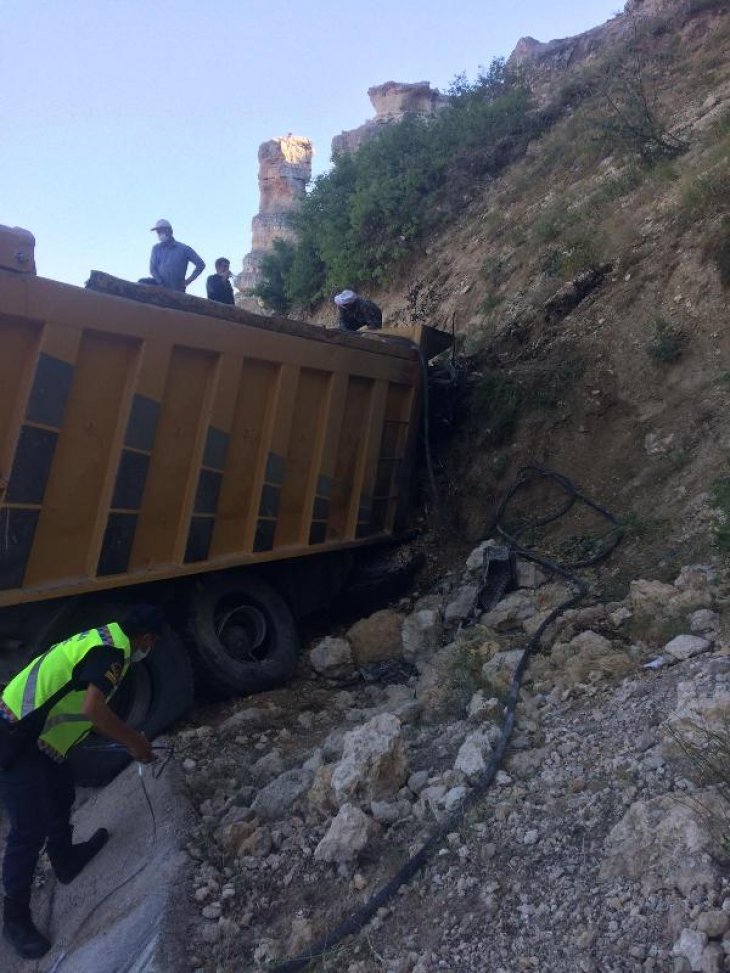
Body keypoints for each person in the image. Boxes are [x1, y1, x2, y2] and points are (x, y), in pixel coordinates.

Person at [0, 604, 166, 959]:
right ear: (147, 639)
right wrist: (134, 741)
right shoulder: (111, 652)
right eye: (151, 645)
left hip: (34, 732)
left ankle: (65, 859)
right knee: (28, 829)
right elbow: (93, 708)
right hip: (15, 733)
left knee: (60, 792)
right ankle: (14, 918)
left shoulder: (107, 635)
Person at [138, 219, 205, 292]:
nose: (159, 234)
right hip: (159, 285)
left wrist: (188, 281)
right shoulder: (156, 249)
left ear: (169, 231)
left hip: (177, 288)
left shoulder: (184, 249)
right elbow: (152, 269)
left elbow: (200, 264)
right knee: (141, 283)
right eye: (158, 232)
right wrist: (160, 282)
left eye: (161, 231)